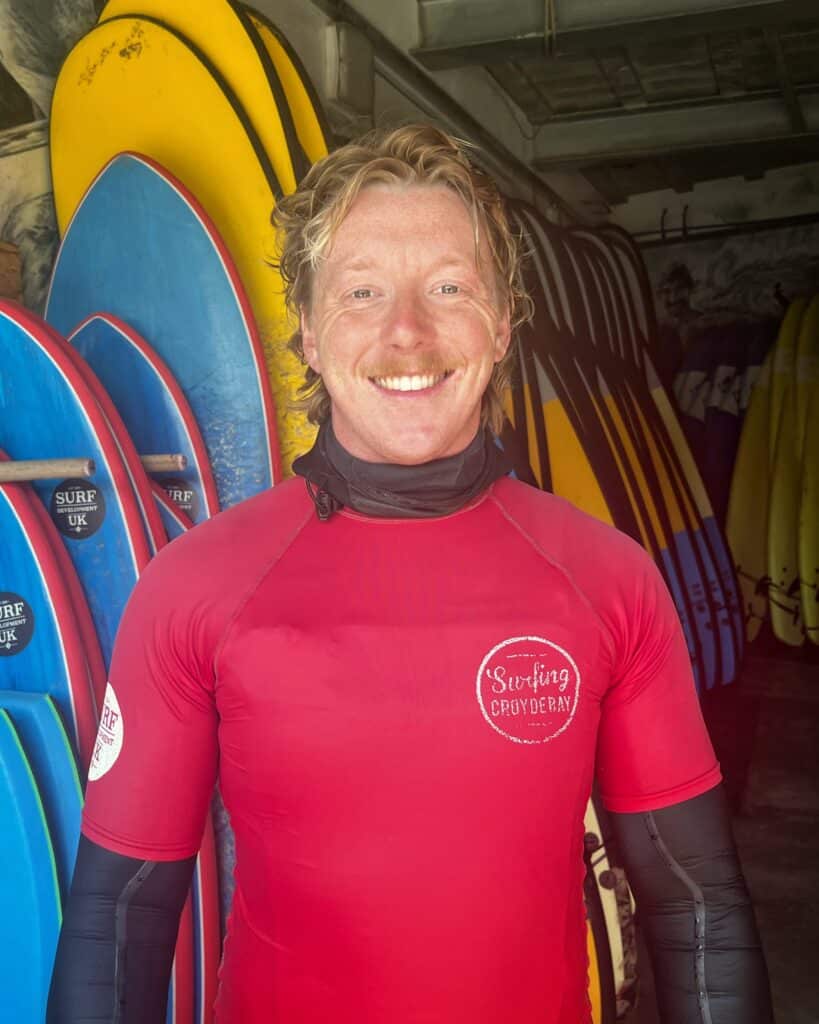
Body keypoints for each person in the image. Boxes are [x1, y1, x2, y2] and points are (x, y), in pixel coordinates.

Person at [48, 124, 774, 1023]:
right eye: (362, 291)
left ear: (503, 322)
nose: (407, 331)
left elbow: (695, 901)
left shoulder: (606, 580)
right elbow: (118, 918)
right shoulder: (195, 589)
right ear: (308, 333)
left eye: (447, 287)